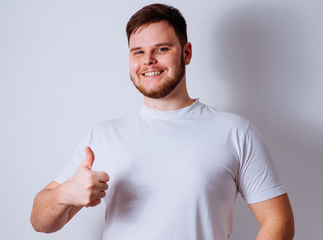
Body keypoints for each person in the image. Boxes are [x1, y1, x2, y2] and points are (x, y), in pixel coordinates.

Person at [30, 3, 294, 239]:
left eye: (161, 49)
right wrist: (66, 193)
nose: (148, 61)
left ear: (186, 53)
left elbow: (278, 220)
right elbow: (40, 222)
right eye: (138, 52)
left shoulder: (236, 132)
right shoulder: (101, 136)